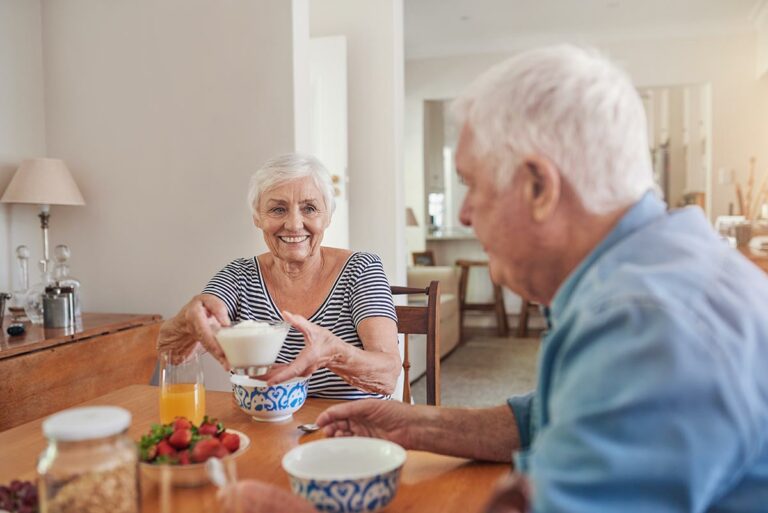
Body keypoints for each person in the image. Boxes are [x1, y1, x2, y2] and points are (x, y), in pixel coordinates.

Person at [220, 44, 768, 512]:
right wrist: (417, 425)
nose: (462, 214)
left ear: (538, 187)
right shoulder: (642, 273)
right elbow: (554, 414)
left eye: (471, 182)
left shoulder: (647, 323)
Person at [157, 153, 401, 399]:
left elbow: (388, 375)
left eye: (309, 208)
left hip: (350, 429)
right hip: (262, 430)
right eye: (277, 209)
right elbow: (171, 351)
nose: (294, 224)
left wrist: (334, 353)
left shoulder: (361, 269)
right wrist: (187, 323)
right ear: (257, 217)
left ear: (327, 216)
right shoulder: (239, 275)